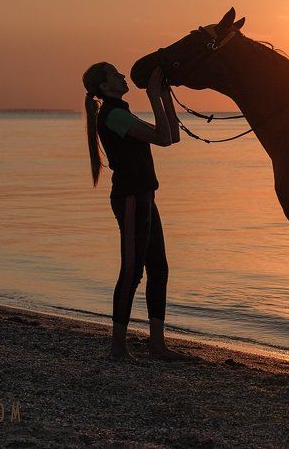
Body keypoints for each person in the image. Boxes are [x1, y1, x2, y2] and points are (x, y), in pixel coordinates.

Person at [83, 62, 189, 362]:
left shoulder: (121, 112)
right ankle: (117, 348)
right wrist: (153, 96)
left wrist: (164, 95)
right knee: (132, 271)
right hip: (130, 197)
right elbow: (163, 138)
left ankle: (158, 346)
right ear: (104, 87)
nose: (121, 76)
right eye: (115, 74)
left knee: (160, 269)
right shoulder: (113, 115)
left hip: (144, 196)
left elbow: (172, 136)